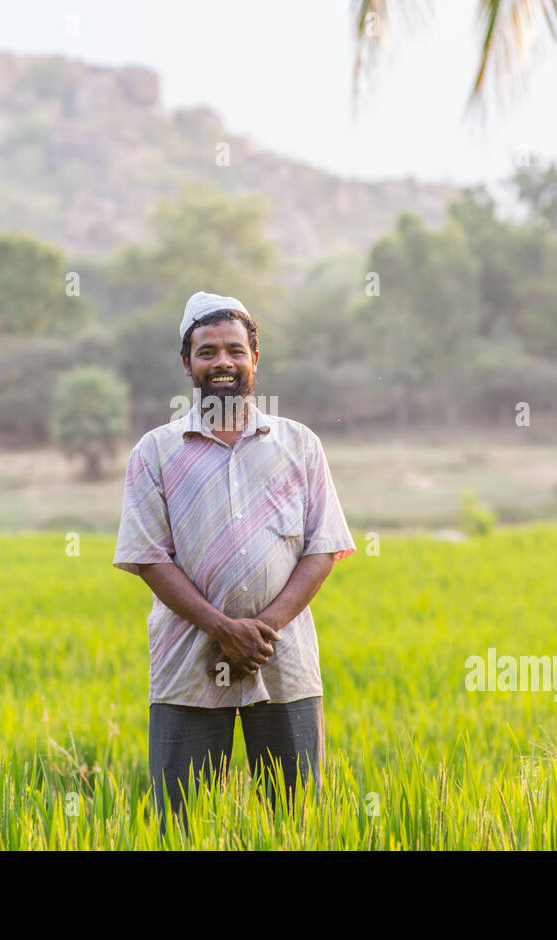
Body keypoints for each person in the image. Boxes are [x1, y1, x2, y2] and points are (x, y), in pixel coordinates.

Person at [112, 290, 356, 832]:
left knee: (297, 824)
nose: (222, 361)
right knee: (183, 824)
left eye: (233, 350)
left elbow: (323, 547)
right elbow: (149, 558)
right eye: (207, 352)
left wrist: (259, 632)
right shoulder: (156, 451)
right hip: (188, 662)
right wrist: (222, 629)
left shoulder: (300, 445)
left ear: (254, 359)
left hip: (283, 659)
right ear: (187, 365)